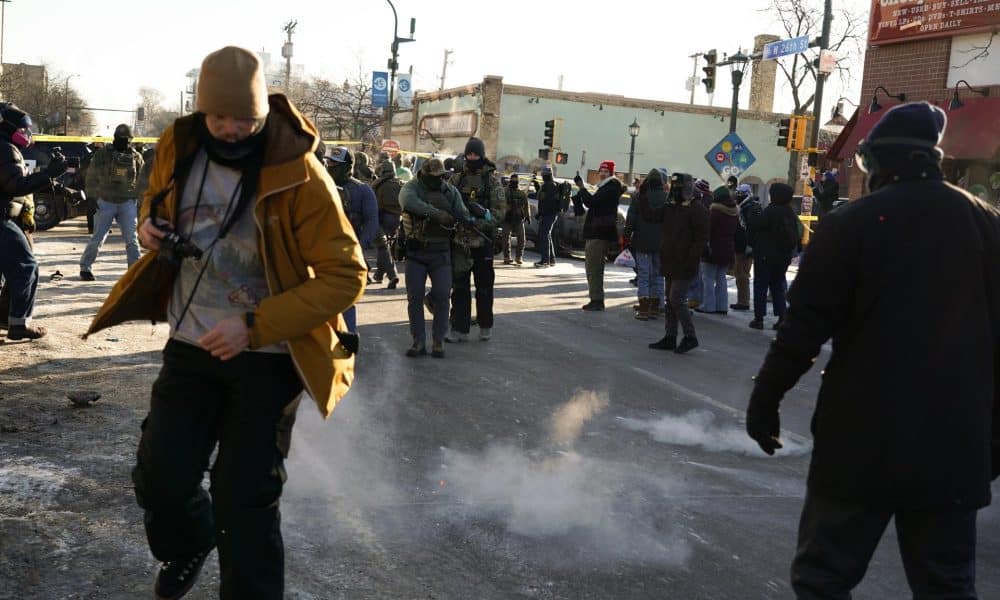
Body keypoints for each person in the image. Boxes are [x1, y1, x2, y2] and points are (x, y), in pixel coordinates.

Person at [84, 46, 366, 600]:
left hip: (267, 358)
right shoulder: (179, 143)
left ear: (263, 114)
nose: (231, 130)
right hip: (191, 344)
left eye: (245, 119)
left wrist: (255, 325)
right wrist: (148, 227)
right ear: (200, 110)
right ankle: (189, 541)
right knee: (160, 477)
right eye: (219, 118)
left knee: (244, 501)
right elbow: (155, 202)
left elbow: (345, 274)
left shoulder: (300, 172)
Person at [746, 101, 1000, 598]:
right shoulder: (989, 226)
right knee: (947, 586)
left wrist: (765, 400)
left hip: (861, 440)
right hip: (952, 445)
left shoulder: (851, 225)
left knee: (823, 579)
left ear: (881, 162)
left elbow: (801, 332)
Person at [0, 102, 67, 340]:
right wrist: (50, 173)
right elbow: (15, 185)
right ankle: (19, 324)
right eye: (24, 128)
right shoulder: (6, 149)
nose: (28, 133)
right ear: (10, 127)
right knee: (26, 267)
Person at [399, 158, 471, 358]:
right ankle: (418, 341)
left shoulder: (449, 191)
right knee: (414, 298)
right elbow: (408, 201)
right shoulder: (412, 187)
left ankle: (438, 341)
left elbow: (462, 212)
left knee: (442, 295)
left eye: (441, 177)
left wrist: (466, 220)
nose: (439, 181)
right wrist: (437, 214)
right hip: (416, 252)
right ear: (424, 175)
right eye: (435, 178)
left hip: (441, 252)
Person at [447, 136, 506, 341]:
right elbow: (446, 204)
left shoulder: (492, 181)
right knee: (460, 289)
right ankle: (459, 329)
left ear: (481, 156)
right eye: (469, 154)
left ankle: (485, 326)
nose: (472, 158)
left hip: (483, 243)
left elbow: (499, 212)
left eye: (476, 154)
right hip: (461, 244)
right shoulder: (456, 179)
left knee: (484, 288)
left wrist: (480, 220)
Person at [644, 173, 708, 354]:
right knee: (670, 301)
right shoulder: (671, 207)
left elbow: (701, 239)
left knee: (676, 299)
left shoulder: (697, 209)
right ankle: (670, 336)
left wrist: (692, 259)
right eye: (675, 188)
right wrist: (643, 194)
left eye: (679, 188)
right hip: (671, 261)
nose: (676, 192)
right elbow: (651, 216)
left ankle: (690, 336)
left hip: (685, 263)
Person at [79, 124, 144, 281]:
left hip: (127, 202)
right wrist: (91, 196)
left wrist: (141, 200)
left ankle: (134, 272)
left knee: (132, 239)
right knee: (98, 237)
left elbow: (142, 180)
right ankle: (85, 268)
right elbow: (91, 176)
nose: (124, 142)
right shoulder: (103, 154)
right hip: (105, 201)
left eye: (125, 139)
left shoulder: (136, 157)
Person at [324, 146, 378, 331]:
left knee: (345, 301)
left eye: (335, 164)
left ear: (348, 167)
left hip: (348, 254)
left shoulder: (363, 191)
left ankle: (347, 340)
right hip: (321, 253)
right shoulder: (320, 185)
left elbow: (372, 222)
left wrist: (359, 249)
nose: (329, 167)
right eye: (328, 163)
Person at [573, 160, 623, 311]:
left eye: (606, 171)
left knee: (594, 267)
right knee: (591, 267)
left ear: (611, 173)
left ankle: (597, 300)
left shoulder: (611, 187)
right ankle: (595, 298)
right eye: (601, 170)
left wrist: (581, 188)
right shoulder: (605, 187)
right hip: (596, 232)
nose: (602, 173)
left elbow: (591, 202)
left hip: (600, 233)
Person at [748, 183, 799, 330]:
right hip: (783, 257)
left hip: (765, 255)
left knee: (761, 286)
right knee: (777, 287)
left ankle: (759, 318)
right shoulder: (790, 212)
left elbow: (755, 225)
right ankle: (782, 317)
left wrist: (754, 213)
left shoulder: (770, 211)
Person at [624, 168, 668, 321]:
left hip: (641, 241)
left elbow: (631, 219)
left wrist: (626, 235)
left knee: (643, 274)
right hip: (661, 243)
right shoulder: (667, 199)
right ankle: (655, 308)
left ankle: (643, 309)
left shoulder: (639, 197)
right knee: (658, 275)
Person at [695, 186, 738, 315]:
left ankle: (708, 305)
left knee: (707, 278)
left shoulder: (715, 212)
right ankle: (722, 306)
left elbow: (708, 231)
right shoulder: (734, 212)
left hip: (713, 249)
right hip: (728, 248)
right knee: (721, 278)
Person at [372, 160, 402, 288]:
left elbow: (374, 204)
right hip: (396, 219)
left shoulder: (378, 185)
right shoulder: (400, 184)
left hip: (382, 217)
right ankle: (379, 274)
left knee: (382, 247)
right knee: (385, 245)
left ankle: (392, 275)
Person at [729, 184, 754, 311]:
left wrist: (747, 246)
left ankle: (743, 301)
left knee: (741, 274)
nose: (737, 196)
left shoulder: (747, 208)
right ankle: (742, 300)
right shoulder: (747, 206)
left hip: (743, 246)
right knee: (741, 273)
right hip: (744, 245)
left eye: (740, 193)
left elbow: (746, 229)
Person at [533, 166, 561, 268]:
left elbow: (546, 202)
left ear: (545, 175)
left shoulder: (549, 186)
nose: (542, 176)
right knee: (547, 235)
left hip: (548, 214)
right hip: (551, 214)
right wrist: (536, 183)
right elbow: (541, 196)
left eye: (543, 174)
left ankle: (545, 261)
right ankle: (551, 259)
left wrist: (540, 213)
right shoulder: (551, 185)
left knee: (543, 235)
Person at [502, 173, 528, 265]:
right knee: (505, 238)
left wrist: (527, 216)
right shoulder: (504, 191)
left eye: (515, 181)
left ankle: (518, 257)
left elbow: (526, 205)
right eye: (512, 180)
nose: (514, 182)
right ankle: (506, 257)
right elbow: (500, 203)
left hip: (518, 218)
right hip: (507, 217)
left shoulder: (521, 193)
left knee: (521, 238)